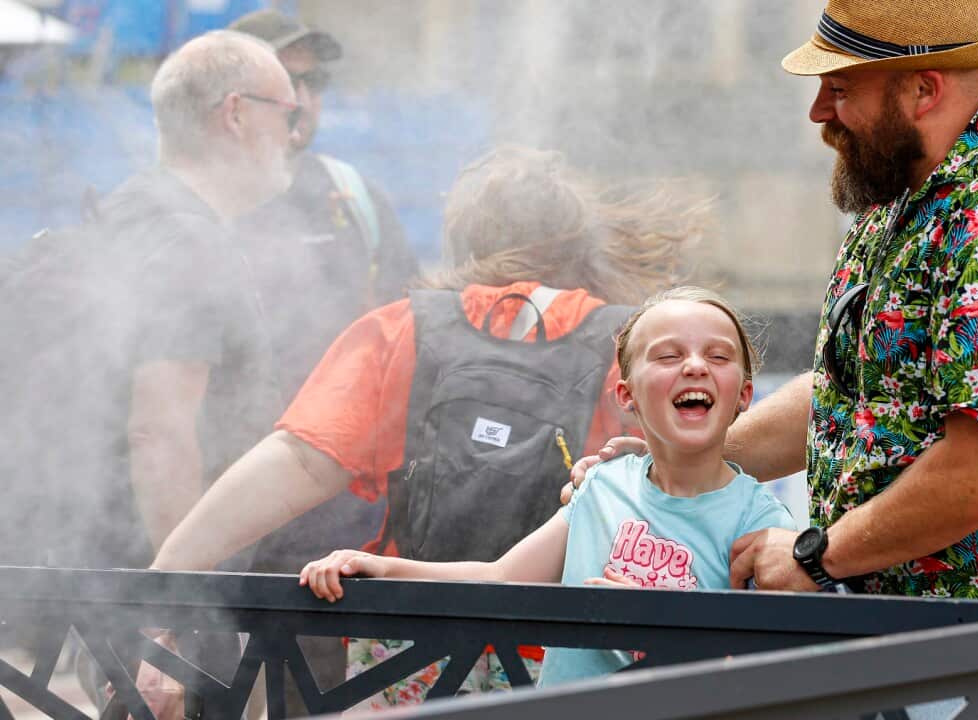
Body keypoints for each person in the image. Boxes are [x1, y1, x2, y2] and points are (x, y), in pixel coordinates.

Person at [570, 1, 978, 716]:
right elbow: (850, 391)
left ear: (923, 88)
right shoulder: (905, 199)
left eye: (840, 89)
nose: (818, 112)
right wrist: (675, 467)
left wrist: (815, 556)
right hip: (937, 634)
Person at [145, 145, 707, 710]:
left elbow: (297, 461)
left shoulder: (403, 330)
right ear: (580, 244)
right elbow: (693, 481)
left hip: (411, 641)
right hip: (566, 646)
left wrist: (162, 582)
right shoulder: (629, 344)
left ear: (468, 241)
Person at [299, 286, 797, 687]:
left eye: (718, 355)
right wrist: (382, 566)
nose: (694, 365)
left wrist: (666, 627)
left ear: (744, 395)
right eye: (668, 355)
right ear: (626, 395)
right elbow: (500, 580)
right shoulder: (602, 486)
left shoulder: (761, 522)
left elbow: (782, 672)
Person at [65, 28, 299, 709]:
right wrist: (170, 624)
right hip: (164, 602)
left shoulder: (133, 213)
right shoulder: (186, 242)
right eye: (287, 114)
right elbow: (158, 431)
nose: (297, 131)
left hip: (120, 578)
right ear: (235, 114)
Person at [227, 8, 421, 577]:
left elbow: (408, 338)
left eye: (314, 83)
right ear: (231, 102)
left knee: (322, 668)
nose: (303, 98)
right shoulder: (188, 208)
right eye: (287, 82)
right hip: (215, 498)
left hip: (334, 513)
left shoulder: (353, 196)